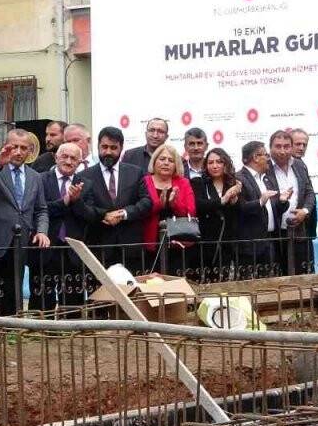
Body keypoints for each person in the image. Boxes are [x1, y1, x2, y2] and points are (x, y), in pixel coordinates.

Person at [0, 129, 49, 323]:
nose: (18, 152)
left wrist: (42, 231)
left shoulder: (35, 177)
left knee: (12, 292)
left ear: (30, 151)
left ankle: (9, 332)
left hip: (18, 244)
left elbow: (41, 209)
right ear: (6, 146)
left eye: (23, 148)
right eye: (14, 147)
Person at [76, 126, 151, 269]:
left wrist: (123, 214)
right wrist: (104, 215)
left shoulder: (135, 172)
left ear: (121, 148)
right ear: (97, 146)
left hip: (130, 248)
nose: (108, 152)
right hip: (99, 248)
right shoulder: (85, 176)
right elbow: (85, 208)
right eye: (104, 147)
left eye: (113, 147)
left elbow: (146, 202)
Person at [36, 142, 86, 310]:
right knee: (43, 296)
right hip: (46, 246)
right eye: (64, 156)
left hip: (73, 248)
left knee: (73, 298)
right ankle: (41, 332)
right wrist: (64, 202)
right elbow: (39, 209)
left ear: (80, 162)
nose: (68, 161)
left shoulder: (86, 183)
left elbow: (90, 214)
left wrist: (76, 201)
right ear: (56, 157)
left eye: (73, 158)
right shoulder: (40, 179)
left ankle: (70, 332)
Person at [140, 143, 197, 277]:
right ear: (154, 161)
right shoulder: (144, 181)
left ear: (176, 165)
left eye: (170, 160)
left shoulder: (183, 182)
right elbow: (140, 211)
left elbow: (191, 212)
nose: (166, 163)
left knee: (176, 283)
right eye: (162, 159)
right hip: (150, 242)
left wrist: (174, 204)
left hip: (178, 243)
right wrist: (160, 204)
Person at [235, 141, 286, 278]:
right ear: (256, 157)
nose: (268, 158)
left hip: (269, 242)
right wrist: (260, 202)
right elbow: (239, 208)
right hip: (250, 246)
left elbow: (271, 209)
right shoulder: (238, 178)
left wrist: (282, 201)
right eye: (266, 155)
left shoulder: (265, 179)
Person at [191, 148, 243, 281]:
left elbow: (239, 211)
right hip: (205, 242)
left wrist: (234, 200)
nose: (214, 166)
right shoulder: (199, 182)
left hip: (227, 242)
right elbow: (198, 205)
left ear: (226, 164)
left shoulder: (233, 183)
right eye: (210, 162)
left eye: (219, 162)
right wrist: (222, 200)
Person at [269, 130, 316, 275]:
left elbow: (309, 192)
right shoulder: (265, 168)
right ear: (270, 148)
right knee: (277, 279)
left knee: (302, 276)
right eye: (278, 146)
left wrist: (305, 211)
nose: (282, 151)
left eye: (286, 146)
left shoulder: (299, 166)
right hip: (274, 234)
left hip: (299, 232)